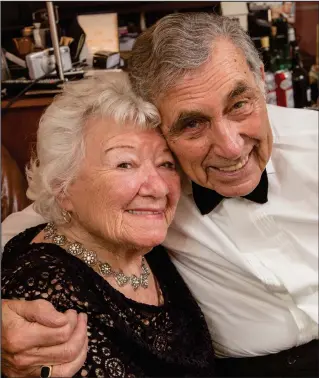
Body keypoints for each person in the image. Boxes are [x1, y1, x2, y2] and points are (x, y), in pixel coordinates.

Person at [2, 12, 318, 378]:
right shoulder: (152, 192)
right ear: (160, 125)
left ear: (260, 80)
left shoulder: (312, 144)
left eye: (239, 104)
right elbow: (44, 221)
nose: (231, 148)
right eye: (192, 123)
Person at [1, 73, 215, 377]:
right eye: (124, 164)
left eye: (166, 164)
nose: (158, 188)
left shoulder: (147, 249)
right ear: (63, 187)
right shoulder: (44, 294)